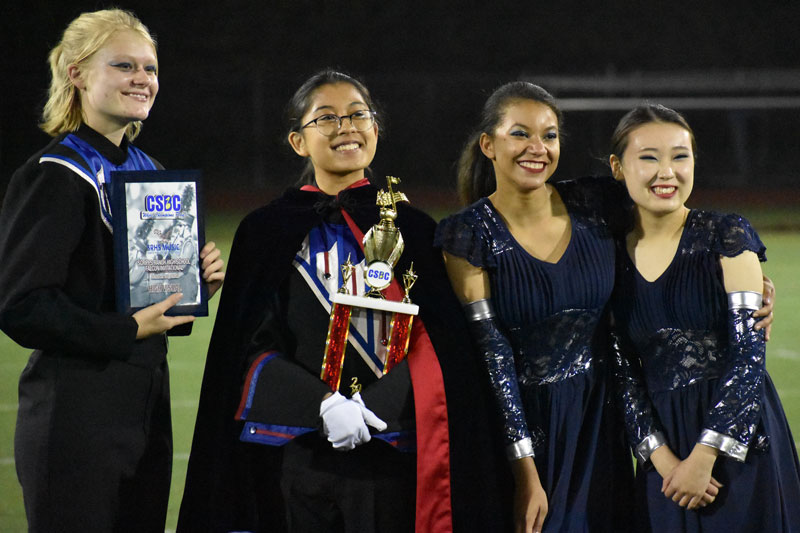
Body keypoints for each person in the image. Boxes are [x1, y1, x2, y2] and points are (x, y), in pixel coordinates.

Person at [178, 70, 505, 532]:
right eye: (326, 118)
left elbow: (439, 346)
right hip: (295, 452)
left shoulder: (414, 229)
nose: (346, 126)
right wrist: (323, 406)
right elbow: (249, 345)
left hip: (392, 449)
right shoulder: (265, 230)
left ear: (376, 130)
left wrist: (375, 408)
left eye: (358, 114)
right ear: (298, 141)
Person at [0, 9, 224, 532]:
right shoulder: (53, 175)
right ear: (77, 73)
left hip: (145, 408)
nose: (142, 79)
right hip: (75, 413)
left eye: (150, 68)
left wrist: (191, 284)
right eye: (124, 66)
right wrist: (125, 329)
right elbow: (23, 305)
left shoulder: (151, 174)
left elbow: (140, 297)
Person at [435, 81, 637, 532]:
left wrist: (736, 274)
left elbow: (670, 227)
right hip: (525, 428)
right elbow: (493, 355)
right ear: (488, 144)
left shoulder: (595, 202)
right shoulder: (468, 234)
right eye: (520, 134)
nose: (537, 148)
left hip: (600, 419)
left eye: (549, 135)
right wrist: (525, 471)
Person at [608, 103, 800, 532]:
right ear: (617, 167)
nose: (667, 172)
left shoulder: (727, 235)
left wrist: (705, 454)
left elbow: (749, 357)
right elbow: (622, 369)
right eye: (649, 158)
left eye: (680, 156)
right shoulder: (607, 257)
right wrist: (663, 460)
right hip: (666, 454)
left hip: (741, 443)